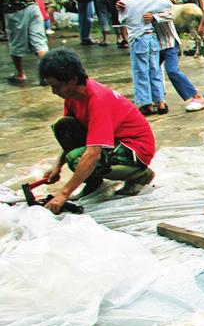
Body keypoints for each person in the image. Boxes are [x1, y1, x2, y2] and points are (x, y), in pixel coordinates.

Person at [39, 48, 156, 210]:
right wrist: (57, 166)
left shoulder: (98, 99)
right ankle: (94, 183)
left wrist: (63, 194)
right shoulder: (72, 96)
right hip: (112, 141)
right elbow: (72, 138)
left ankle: (140, 175)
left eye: (57, 87)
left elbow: (93, 153)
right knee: (63, 126)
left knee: (76, 159)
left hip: (134, 149)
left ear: (72, 80)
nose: (54, 92)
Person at [146, 0, 204, 113]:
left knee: (172, 70)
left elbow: (170, 12)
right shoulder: (138, 1)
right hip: (154, 45)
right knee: (150, 71)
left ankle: (197, 97)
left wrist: (154, 17)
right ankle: (157, 100)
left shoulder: (160, 1)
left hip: (168, 42)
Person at [118, 0, 166, 114]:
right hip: (152, 38)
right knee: (155, 70)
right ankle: (161, 102)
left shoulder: (125, 3)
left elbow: (122, 20)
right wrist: (153, 15)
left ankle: (147, 104)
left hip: (138, 40)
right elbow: (167, 3)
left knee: (141, 72)